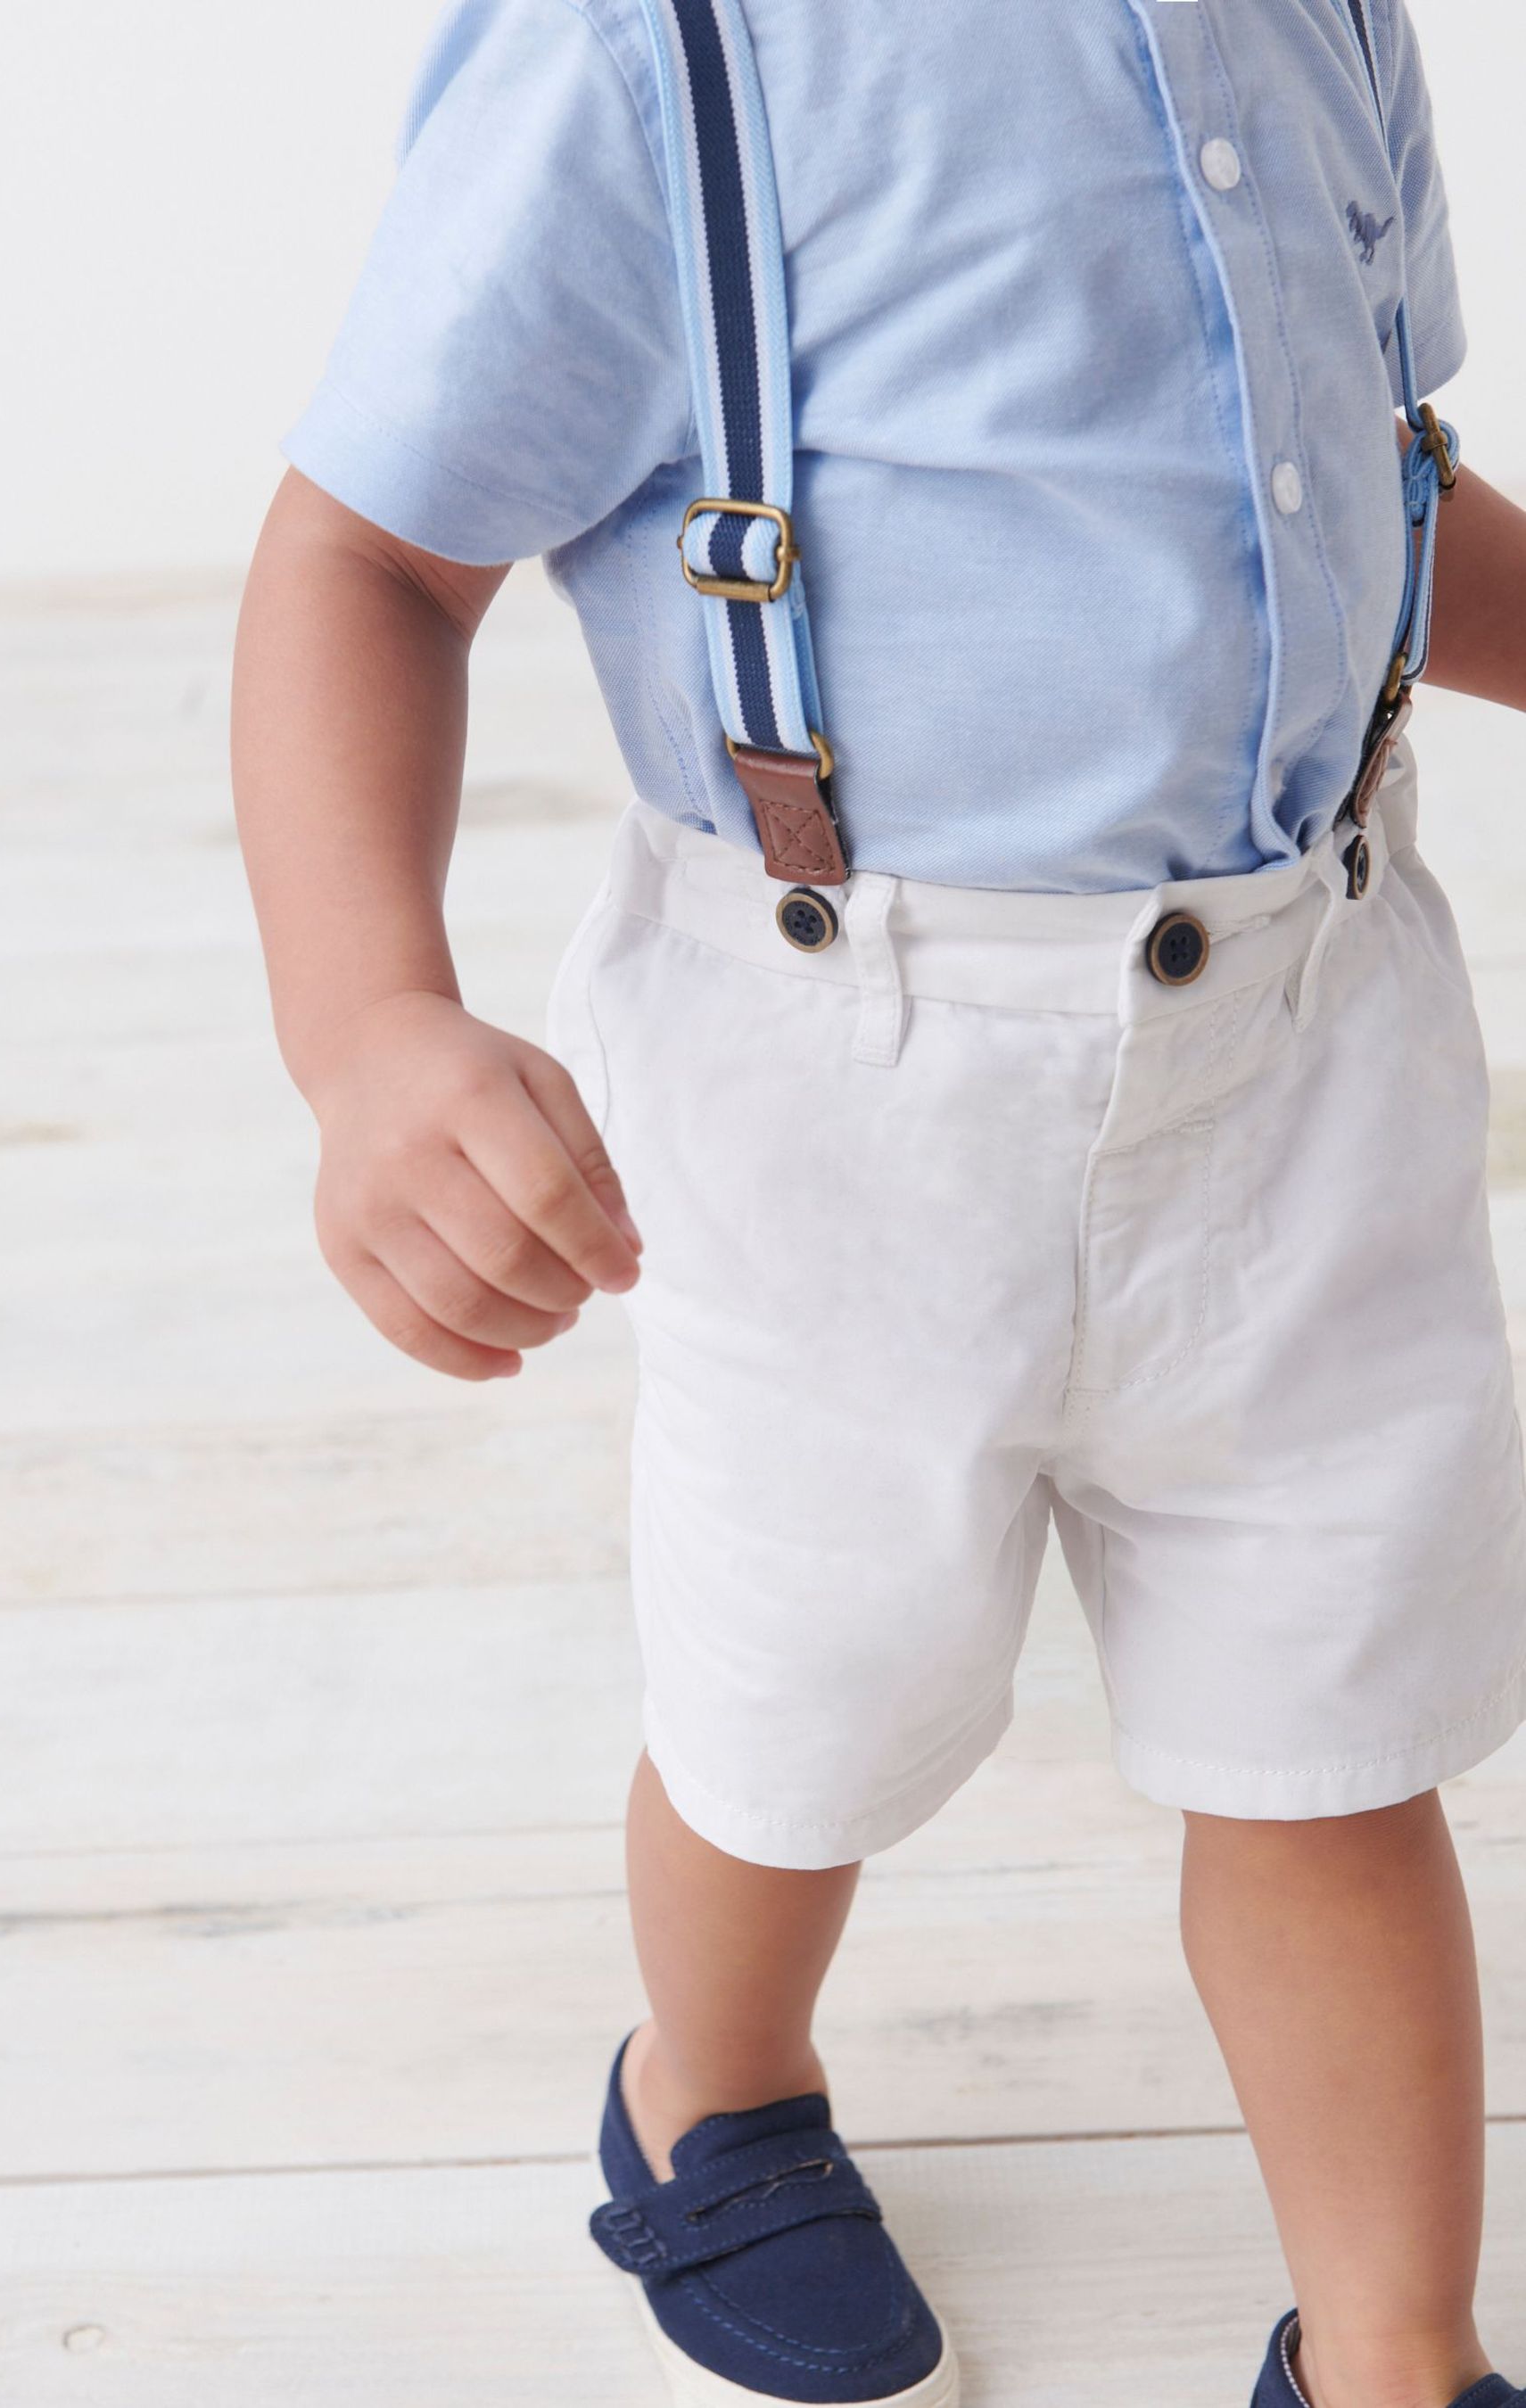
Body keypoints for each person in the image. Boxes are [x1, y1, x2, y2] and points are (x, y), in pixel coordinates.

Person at [230, 2, 1526, 2401]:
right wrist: (368, 1025)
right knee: (793, 1712)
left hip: (1312, 1046)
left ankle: (1391, 2343)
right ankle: (704, 2086)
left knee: (1333, 1738)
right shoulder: (661, 55)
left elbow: (1373, 475)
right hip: (846, 1089)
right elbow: (371, 557)